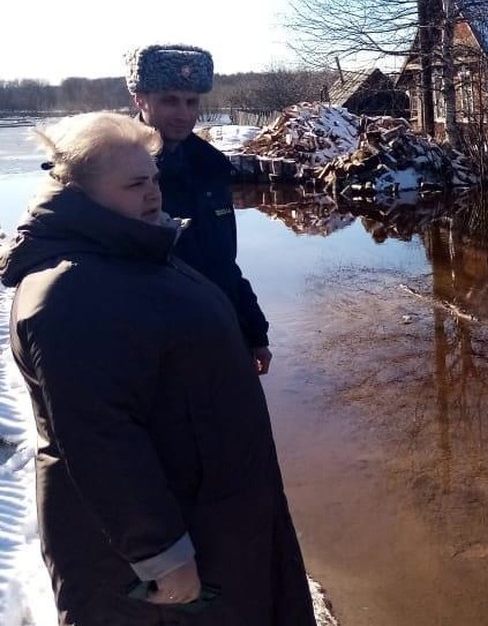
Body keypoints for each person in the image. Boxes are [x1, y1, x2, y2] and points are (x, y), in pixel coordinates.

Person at [0, 113, 316, 625]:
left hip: (209, 510)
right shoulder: (69, 293)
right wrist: (163, 559)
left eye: (153, 179)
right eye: (134, 184)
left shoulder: (137, 251)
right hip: (161, 551)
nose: (153, 194)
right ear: (80, 191)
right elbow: (100, 439)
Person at [126, 43, 272, 374]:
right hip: (158, 355)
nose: (183, 113)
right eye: (170, 100)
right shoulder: (116, 173)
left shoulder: (210, 167)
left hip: (218, 333)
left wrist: (253, 331)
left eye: (192, 101)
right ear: (140, 99)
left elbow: (222, 263)